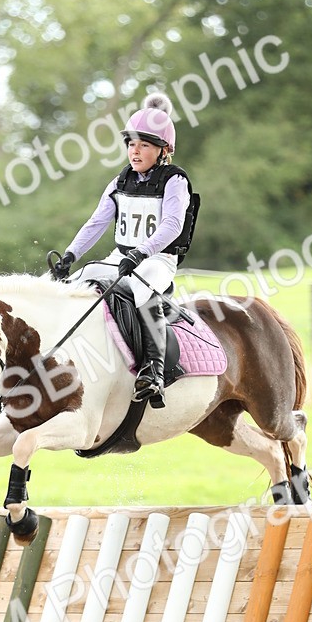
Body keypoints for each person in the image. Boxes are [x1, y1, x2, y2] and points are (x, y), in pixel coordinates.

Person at [54, 93, 197, 408]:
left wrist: (142, 253)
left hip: (158, 260)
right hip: (121, 257)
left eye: (144, 145)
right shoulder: (120, 180)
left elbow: (172, 226)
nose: (135, 151)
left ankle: (154, 373)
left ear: (163, 150)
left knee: (142, 292)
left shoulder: (175, 181)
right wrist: (70, 256)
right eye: (131, 144)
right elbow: (96, 223)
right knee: (79, 281)